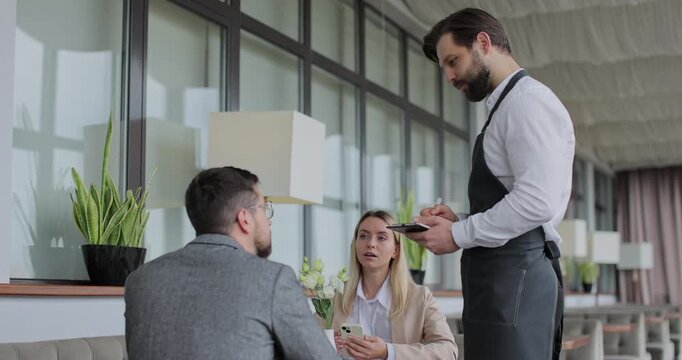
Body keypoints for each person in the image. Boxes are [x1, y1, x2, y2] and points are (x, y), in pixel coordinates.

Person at [406, 8, 575, 360]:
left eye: (453, 61)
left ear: (483, 43)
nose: (449, 77)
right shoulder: (506, 106)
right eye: (444, 68)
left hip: (517, 281)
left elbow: (536, 202)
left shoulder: (527, 104)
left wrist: (457, 234)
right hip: (502, 283)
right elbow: (516, 196)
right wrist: (461, 220)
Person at [125, 166, 340, 360]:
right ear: (245, 218)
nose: (269, 220)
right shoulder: (272, 279)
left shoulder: (140, 280)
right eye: (265, 209)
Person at [332, 210, 458, 360]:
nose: (371, 244)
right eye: (363, 236)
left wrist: (388, 351)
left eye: (381, 238)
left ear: (396, 251)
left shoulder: (420, 297)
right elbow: (307, 341)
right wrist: (329, 342)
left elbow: (448, 351)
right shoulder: (336, 295)